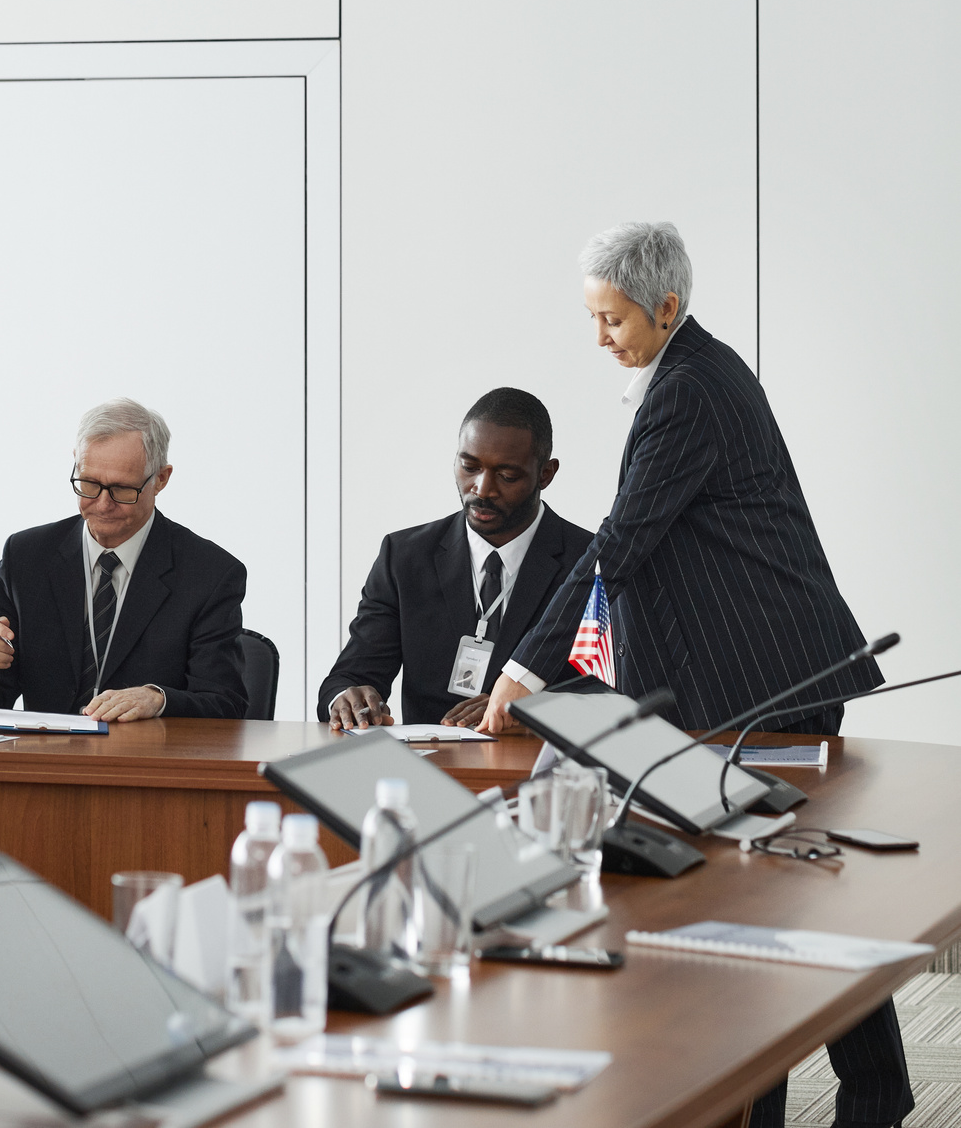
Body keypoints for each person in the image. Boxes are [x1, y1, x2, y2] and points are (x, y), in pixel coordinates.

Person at [479, 221, 910, 1128]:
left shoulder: (687, 389)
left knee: (777, 902)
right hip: (743, 669)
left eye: (611, 319)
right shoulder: (688, 372)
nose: (599, 338)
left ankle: (848, 1098)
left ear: (664, 306)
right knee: (785, 900)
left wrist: (523, 666)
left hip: (765, 677)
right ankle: (859, 1096)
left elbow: (620, 543)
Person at [317, 387, 592, 730]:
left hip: (542, 770)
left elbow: (620, 692)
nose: (482, 488)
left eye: (507, 476)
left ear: (545, 474)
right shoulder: (404, 557)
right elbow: (352, 673)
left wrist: (537, 707)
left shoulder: (591, 562)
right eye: (469, 467)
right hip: (429, 768)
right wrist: (346, 697)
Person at [0, 398, 248, 720]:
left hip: (146, 761)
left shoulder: (209, 573)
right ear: (76, 463)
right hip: (46, 759)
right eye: (88, 484)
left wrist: (159, 700)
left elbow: (227, 705)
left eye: (121, 489)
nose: (101, 505)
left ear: (161, 479)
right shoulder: (27, 556)